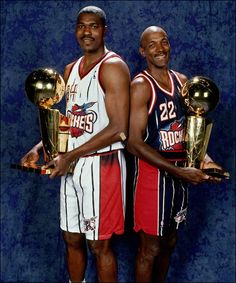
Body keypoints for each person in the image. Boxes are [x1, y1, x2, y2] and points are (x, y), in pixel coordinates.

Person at [21, 6, 130, 283]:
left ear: (105, 30)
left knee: (100, 245)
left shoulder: (113, 67)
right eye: (81, 26)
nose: (86, 32)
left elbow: (119, 129)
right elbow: (68, 122)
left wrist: (70, 157)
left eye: (93, 26)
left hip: (102, 165)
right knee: (71, 237)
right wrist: (40, 147)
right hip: (71, 163)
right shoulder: (70, 70)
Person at [127, 26, 222, 283]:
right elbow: (134, 143)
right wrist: (179, 171)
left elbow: (191, 132)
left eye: (164, 42)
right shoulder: (140, 86)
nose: (160, 49)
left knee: (169, 242)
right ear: (143, 51)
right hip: (152, 179)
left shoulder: (182, 82)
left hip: (180, 177)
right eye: (153, 45)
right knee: (150, 249)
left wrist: (206, 160)